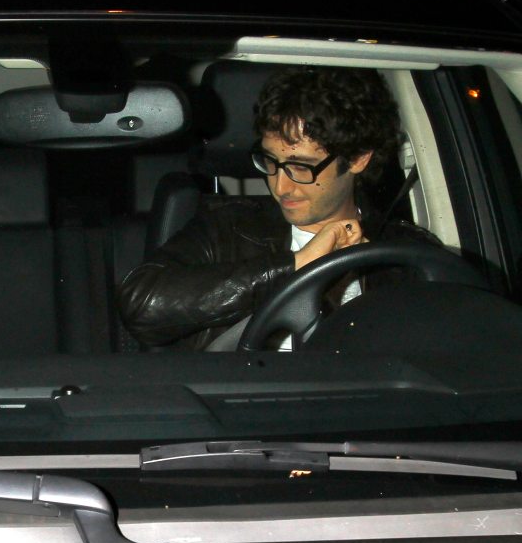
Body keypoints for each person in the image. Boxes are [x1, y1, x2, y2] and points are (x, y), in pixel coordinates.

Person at [118, 65, 439, 350]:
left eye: (302, 167)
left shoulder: (403, 254)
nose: (280, 186)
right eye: (271, 161)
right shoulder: (228, 227)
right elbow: (142, 305)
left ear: (357, 159)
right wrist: (296, 265)